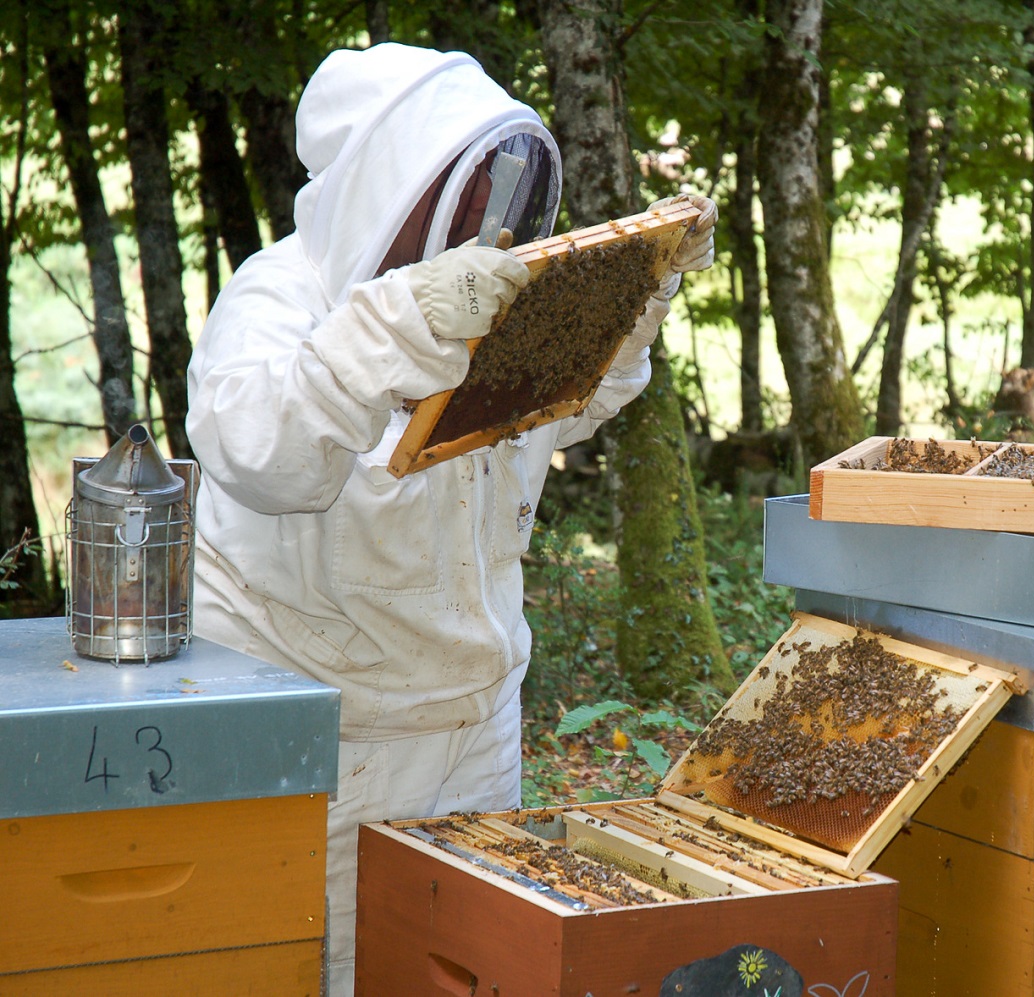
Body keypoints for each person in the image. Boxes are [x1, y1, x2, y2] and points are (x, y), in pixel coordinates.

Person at [185, 42, 715, 995]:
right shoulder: (280, 295)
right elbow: (258, 452)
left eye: (499, 198)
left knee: (471, 971)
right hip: (332, 744)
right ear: (392, 187)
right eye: (464, 197)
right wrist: (387, 330)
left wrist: (638, 297)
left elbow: (567, 399)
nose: (488, 224)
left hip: (477, 720)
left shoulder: (484, 294)